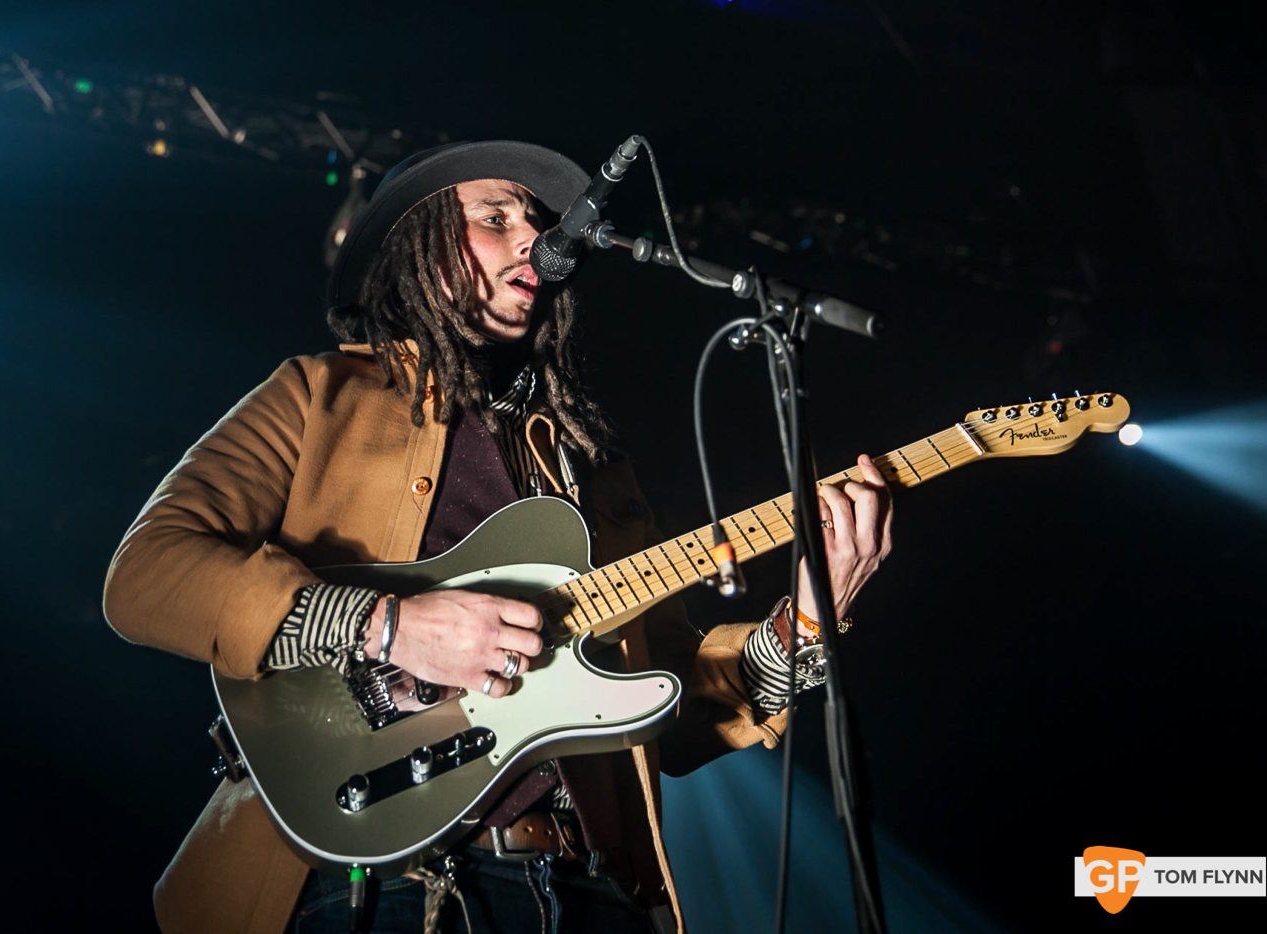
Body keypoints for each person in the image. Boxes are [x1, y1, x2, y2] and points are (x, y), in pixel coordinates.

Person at [103, 140, 893, 934]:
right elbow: (147, 574)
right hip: (385, 889)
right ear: (417, 248)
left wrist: (806, 623)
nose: (535, 238)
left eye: (538, 221)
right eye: (495, 217)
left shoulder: (588, 466)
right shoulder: (319, 398)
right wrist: (389, 626)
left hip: (592, 894)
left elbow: (675, 710)